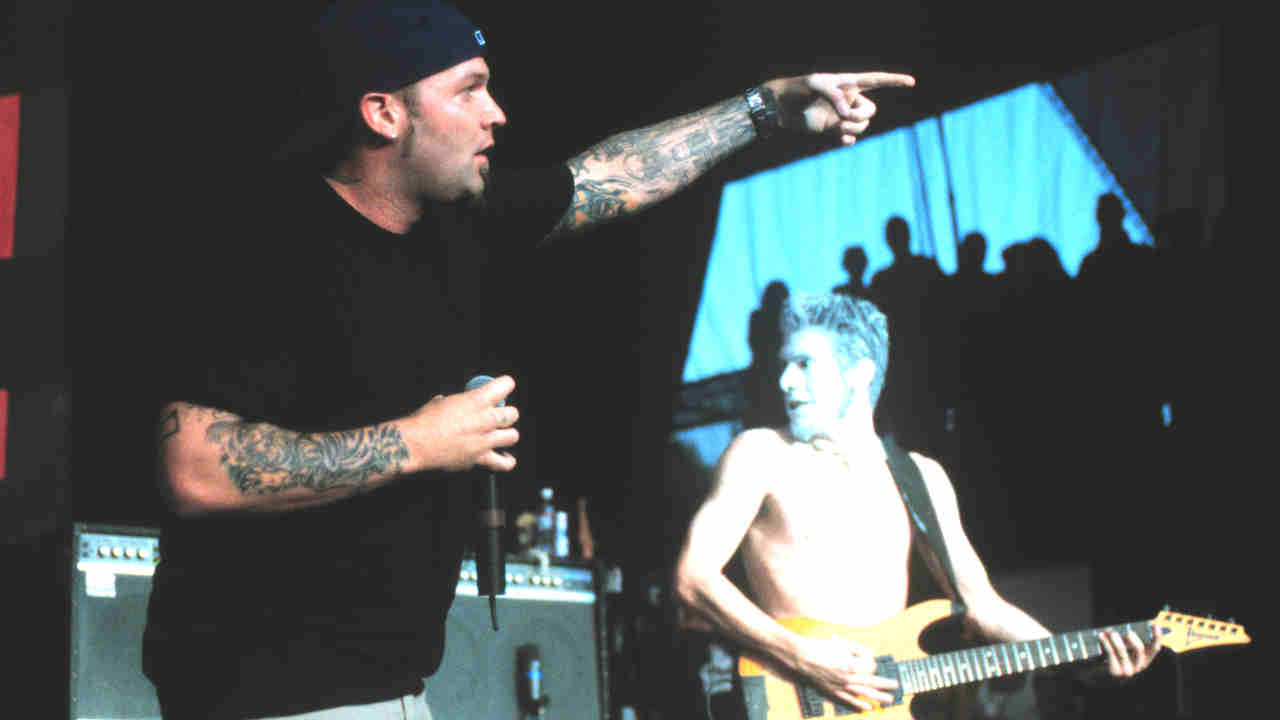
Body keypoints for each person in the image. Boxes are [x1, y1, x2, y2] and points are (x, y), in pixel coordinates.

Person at [139, 1, 915, 718]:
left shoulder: (460, 225)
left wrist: (764, 108)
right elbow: (195, 466)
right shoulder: (268, 245)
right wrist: (421, 442)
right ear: (384, 112)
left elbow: (612, 175)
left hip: (387, 689)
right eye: (468, 90)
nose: (497, 113)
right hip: (269, 693)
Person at [673, 293, 1162, 716]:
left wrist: (1081, 660)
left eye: (804, 363)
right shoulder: (760, 453)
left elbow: (985, 608)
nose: (785, 380)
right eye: (784, 364)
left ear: (860, 372)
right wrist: (800, 655)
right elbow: (693, 580)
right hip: (789, 696)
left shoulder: (921, 477)